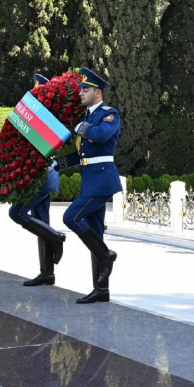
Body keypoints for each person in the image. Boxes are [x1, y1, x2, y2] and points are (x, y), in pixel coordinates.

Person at [56, 67, 122, 304]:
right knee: (96, 233)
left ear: (97, 92)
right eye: (81, 89)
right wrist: (58, 164)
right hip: (90, 180)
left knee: (71, 217)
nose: (81, 92)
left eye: (85, 89)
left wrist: (78, 127)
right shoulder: (87, 118)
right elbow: (81, 154)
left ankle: (106, 255)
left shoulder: (109, 114)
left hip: (102, 181)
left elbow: (102, 135)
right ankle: (101, 290)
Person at [8, 74, 65, 286]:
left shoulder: (48, 120)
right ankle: (47, 273)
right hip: (41, 178)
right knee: (41, 222)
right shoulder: (34, 121)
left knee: (16, 213)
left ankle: (56, 237)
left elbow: (44, 151)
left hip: (42, 178)